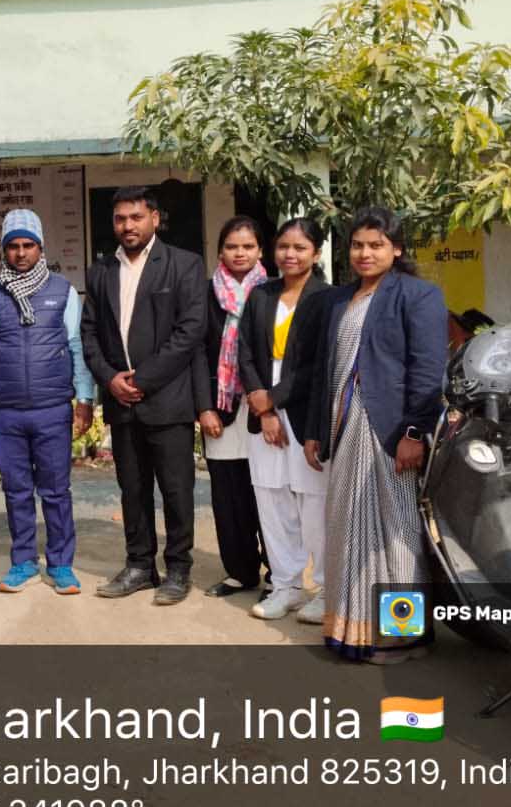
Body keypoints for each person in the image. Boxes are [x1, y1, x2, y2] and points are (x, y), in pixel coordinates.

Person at [303, 207, 448, 664]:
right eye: (358, 245)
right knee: (349, 532)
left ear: (397, 248)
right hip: (346, 428)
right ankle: (355, 629)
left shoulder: (418, 295)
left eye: (376, 245)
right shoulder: (340, 300)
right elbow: (324, 372)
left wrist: (414, 433)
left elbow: (428, 371)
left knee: (396, 530)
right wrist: (315, 432)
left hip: (389, 433)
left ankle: (403, 637)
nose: (365, 253)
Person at [81, 185, 209, 604]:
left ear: (154, 218)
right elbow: (89, 333)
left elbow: (190, 331)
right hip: (121, 403)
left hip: (168, 400)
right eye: (120, 218)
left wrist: (143, 379)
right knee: (132, 489)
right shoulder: (101, 271)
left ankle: (178, 569)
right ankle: (139, 566)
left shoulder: (184, 265)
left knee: (176, 490)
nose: (127, 226)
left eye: (136, 217)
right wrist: (110, 379)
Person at [0, 209, 96, 595]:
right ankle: (23, 562)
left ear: (40, 248)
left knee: (56, 491)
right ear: (4, 250)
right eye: (13, 246)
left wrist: (84, 398)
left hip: (52, 409)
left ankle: (61, 564)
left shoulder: (63, 291)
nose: (21, 253)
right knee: (16, 490)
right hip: (5, 412)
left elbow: (77, 347)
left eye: (28, 245)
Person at [236, 217, 332, 622]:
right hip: (265, 413)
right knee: (271, 499)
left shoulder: (327, 299)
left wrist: (272, 399)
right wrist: (264, 408)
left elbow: (319, 364)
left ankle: (326, 589)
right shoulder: (261, 294)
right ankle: (286, 586)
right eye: (283, 246)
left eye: (300, 247)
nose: (290, 254)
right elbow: (244, 351)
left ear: (316, 253)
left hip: (307, 412)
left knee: (314, 503)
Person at [199, 216, 271, 600]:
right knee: (228, 496)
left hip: (265, 408)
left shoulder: (274, 292)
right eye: (231, 246)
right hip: (221, 407)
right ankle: (241, 571)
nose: (239, 253)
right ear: (220, 252)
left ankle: (279, 574)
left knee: (270, 493)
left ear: (260, 251)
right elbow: (195, 353)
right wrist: (203, 407)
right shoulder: (205, 293)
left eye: (247, 246)